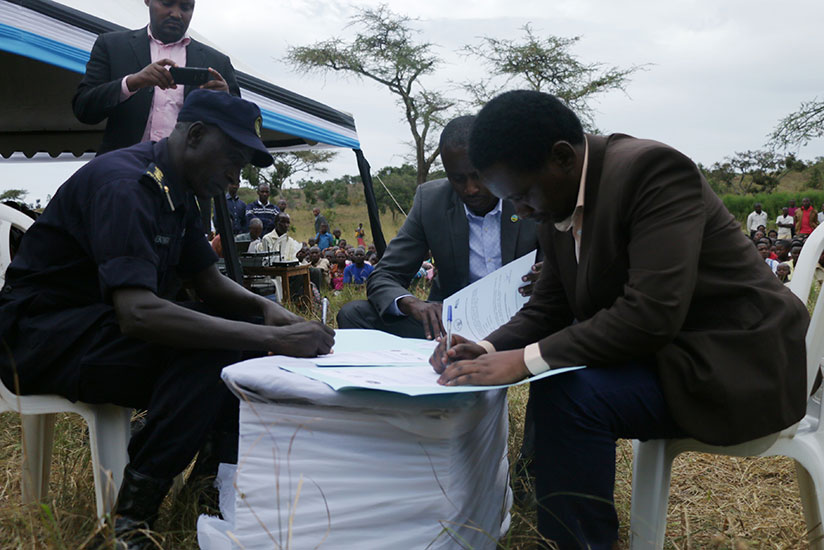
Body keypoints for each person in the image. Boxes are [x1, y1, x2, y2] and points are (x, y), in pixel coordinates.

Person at [429, 90, 808, 550]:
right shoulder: (555, 197)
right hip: (671, 356)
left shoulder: (654, 173)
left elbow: (650, 314)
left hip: (736, 362)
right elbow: (549, 308)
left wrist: (523, 361)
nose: (522, 212)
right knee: (563, 386)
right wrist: (486, 348)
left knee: (569, 393)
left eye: (523, 196)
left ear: (563, 157)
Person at [0, 90, 334, 549]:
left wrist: (270, 314)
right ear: (195, 135)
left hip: (92, 329)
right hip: (38, 338)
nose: (236, 177)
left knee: (237, 345)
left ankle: (208, 488)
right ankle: (128, 525)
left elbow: (210, 282)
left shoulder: (179, 190)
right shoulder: (128, 185)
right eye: (232, 159)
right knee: (211, 352)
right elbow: (138, 314)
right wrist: (265, 334)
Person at [337, 115, 539, 339]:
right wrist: (412, 304)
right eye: (458, 179)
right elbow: (385, 275)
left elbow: (570, 267)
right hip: (452, 327)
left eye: (478, 176)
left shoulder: (530, 195)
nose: (470, 189)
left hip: (526, 322)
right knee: (354, 314)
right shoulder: (431, 201)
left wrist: (550, 278)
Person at [72, 0, 239, 155]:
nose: (176, 14)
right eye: (167, 3)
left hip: (188, 180)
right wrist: (131, 83)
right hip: (122, 174)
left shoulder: (218, 62)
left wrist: (226, 103)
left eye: (186, 7)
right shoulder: (112, 46)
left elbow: (241, 131)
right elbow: (83, 109)